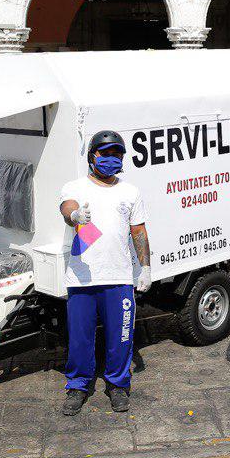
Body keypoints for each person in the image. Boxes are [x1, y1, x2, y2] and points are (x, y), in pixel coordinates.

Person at [59, 130, 151, 416]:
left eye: (116, 154)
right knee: (80, 338)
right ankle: (78, 386)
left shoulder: (130, 191)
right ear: (92, 156)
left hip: (120, 279)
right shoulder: (75, 186)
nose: (111, 159)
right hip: (82, 279)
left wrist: (145, 267)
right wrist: (74, 216)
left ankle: (118, 384)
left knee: (121, 337)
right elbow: (67, 207)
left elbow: (138, 231)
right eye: (105, 153)